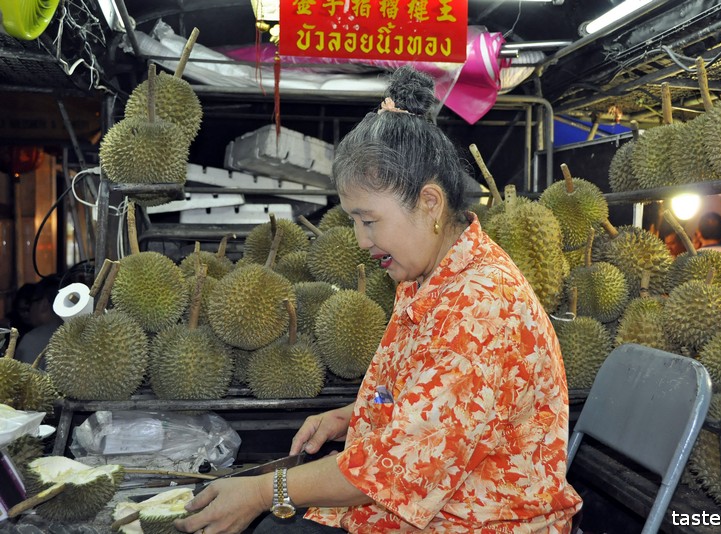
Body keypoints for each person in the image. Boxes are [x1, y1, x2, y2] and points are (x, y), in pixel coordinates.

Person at [175, 66, 581, 534]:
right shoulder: (428, 273)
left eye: (368, 220)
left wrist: (266, 490)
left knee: (270, 522)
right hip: (422, 502)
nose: (361, 239)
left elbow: (396, 471)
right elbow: (433, 402)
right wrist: (354, 416)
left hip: (478, 521)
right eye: (353, 221)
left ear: (430, 203)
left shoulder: (482, 307)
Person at [15, 275, 63, 370]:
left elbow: (24, 381)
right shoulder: (79, 333)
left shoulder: (32, 340)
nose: (29, 310)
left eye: (32, 303)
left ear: (44, 304)